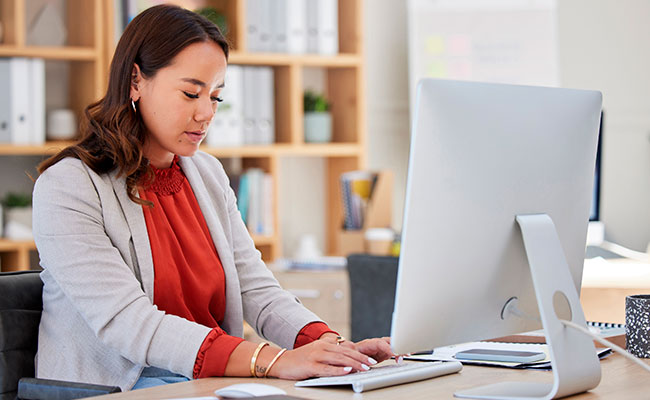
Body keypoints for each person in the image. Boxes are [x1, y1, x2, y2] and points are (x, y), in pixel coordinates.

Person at [32, 4, 394, 391]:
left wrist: (331, 348)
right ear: (136, 80)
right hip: (115, 387)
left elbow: (256, 288)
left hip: (204, 381)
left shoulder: (206, 174)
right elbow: (129, 323)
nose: (206, 113)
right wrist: (272, 361)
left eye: (215, 97)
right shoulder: (69, 187)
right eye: (190, 93)